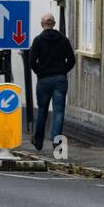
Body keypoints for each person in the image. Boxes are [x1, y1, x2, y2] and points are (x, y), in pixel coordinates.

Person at [29, 13, 76, 153]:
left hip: (44, 80)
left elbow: (32, 62)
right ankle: (56, 142)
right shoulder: (63, 40)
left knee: (42, 110)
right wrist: (62, 71)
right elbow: (71, 60)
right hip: (60, 79)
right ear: (54, 24)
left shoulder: (38, 40)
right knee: (59, 111)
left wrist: (40, 72)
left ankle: (38, 141)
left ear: (42, 24)